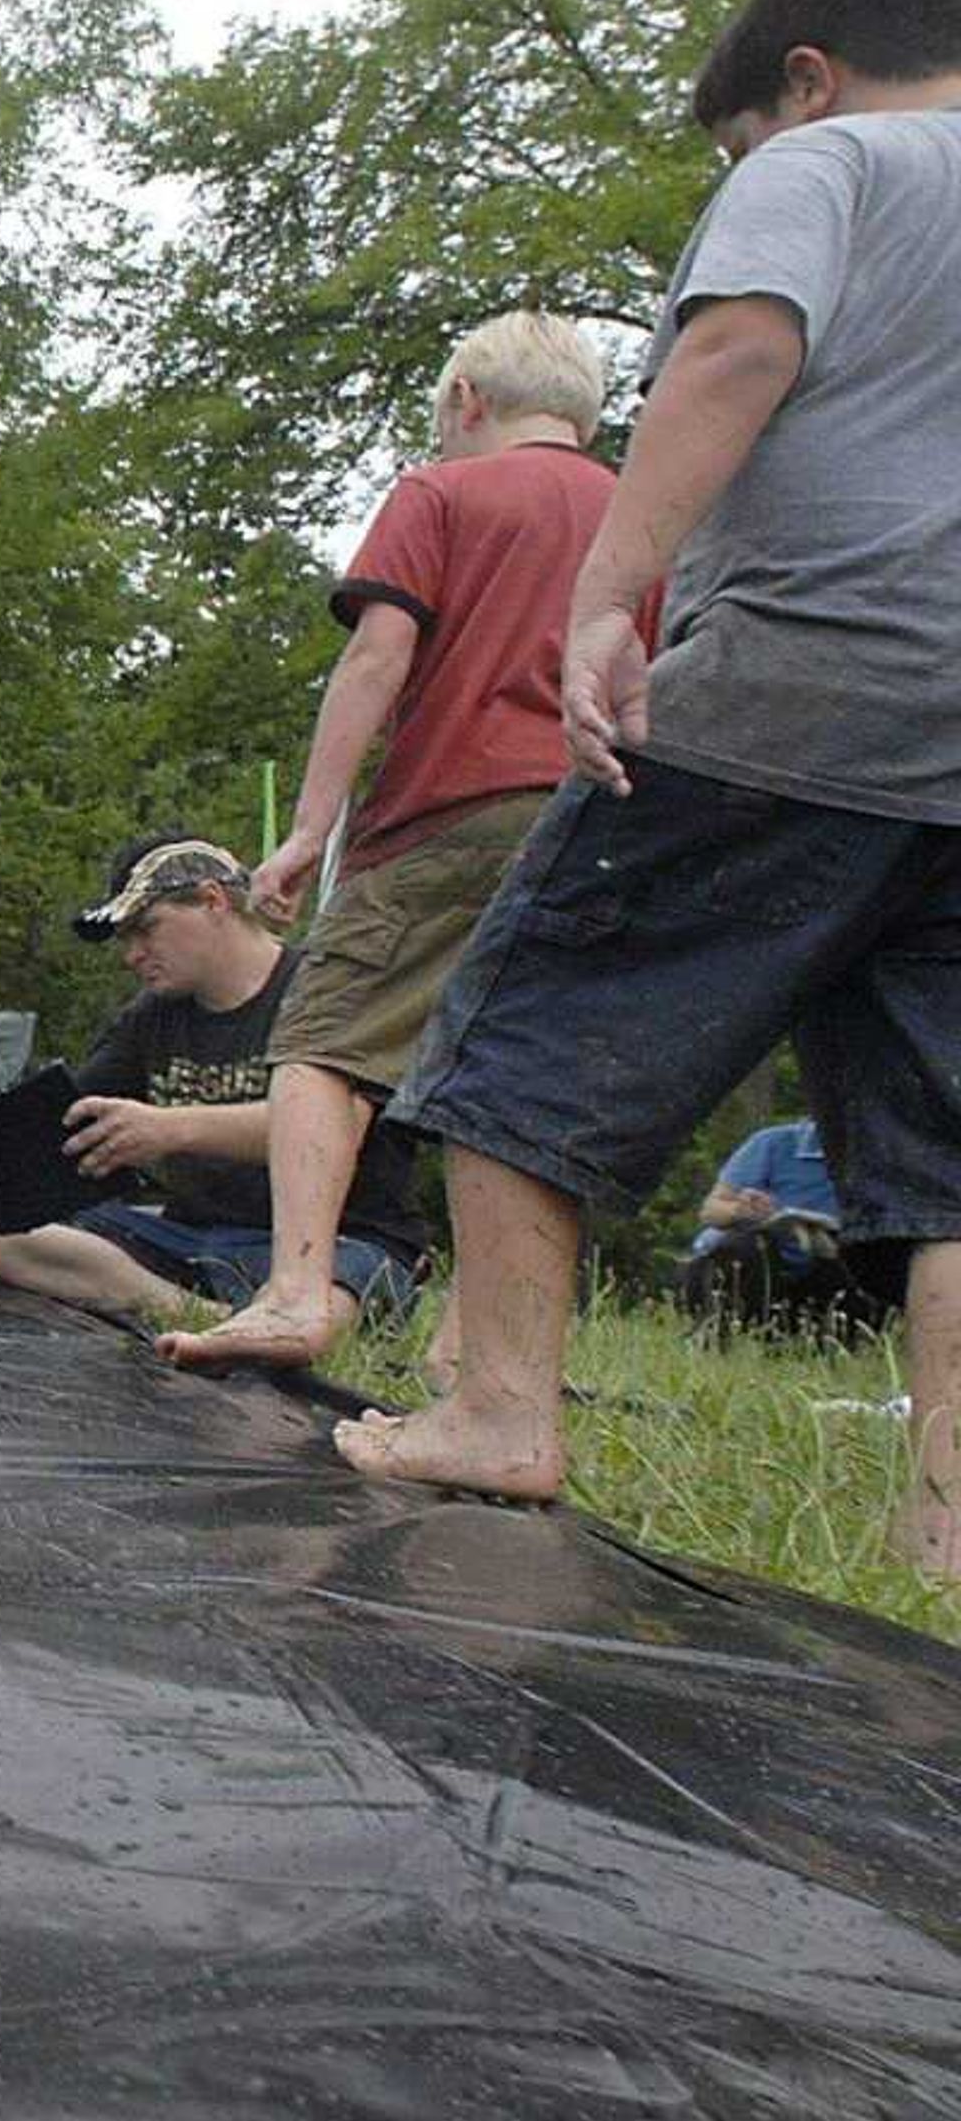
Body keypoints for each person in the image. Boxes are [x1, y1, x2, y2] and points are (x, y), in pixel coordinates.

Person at [329, 0, 961, 1584]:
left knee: (530, 1023)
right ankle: (949, 1524)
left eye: (745, 134)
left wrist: (615, 600)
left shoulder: (836, 159)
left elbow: (738, 348)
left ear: (805, 78)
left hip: (797, 682)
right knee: (946, 1139)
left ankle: (499, 1408)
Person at [167, 313, 642, 1374]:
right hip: (598, 818)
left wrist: (307, 829)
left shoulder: (442, 492)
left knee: (325, 1044)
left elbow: (379, 659)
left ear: (469, 398)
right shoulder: (642, 513)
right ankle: (477, 1344)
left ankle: (296, 1288)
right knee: (524, 1080)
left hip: (447, 812)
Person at [0, 836, 425, 1333]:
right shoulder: (151, 1018)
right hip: (188, 1237)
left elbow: (337, 1125)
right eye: (125, 938)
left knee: (340, 1296)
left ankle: (277, 1313)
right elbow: (71, 1127)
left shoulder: (321, 991)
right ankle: (194, 1312)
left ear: (212, 901)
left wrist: (170, 1128)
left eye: (146, 929)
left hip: (337, 1242)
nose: (132, 954)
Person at [675, 1118, 888, 1334]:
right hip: (760, 1266)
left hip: (831, 1269)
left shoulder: (884, 1154)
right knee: (745, 1247)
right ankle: (722, 1331)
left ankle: (837, 1338)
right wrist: (740, 1209)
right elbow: (711, 1211)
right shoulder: (773, 1142)